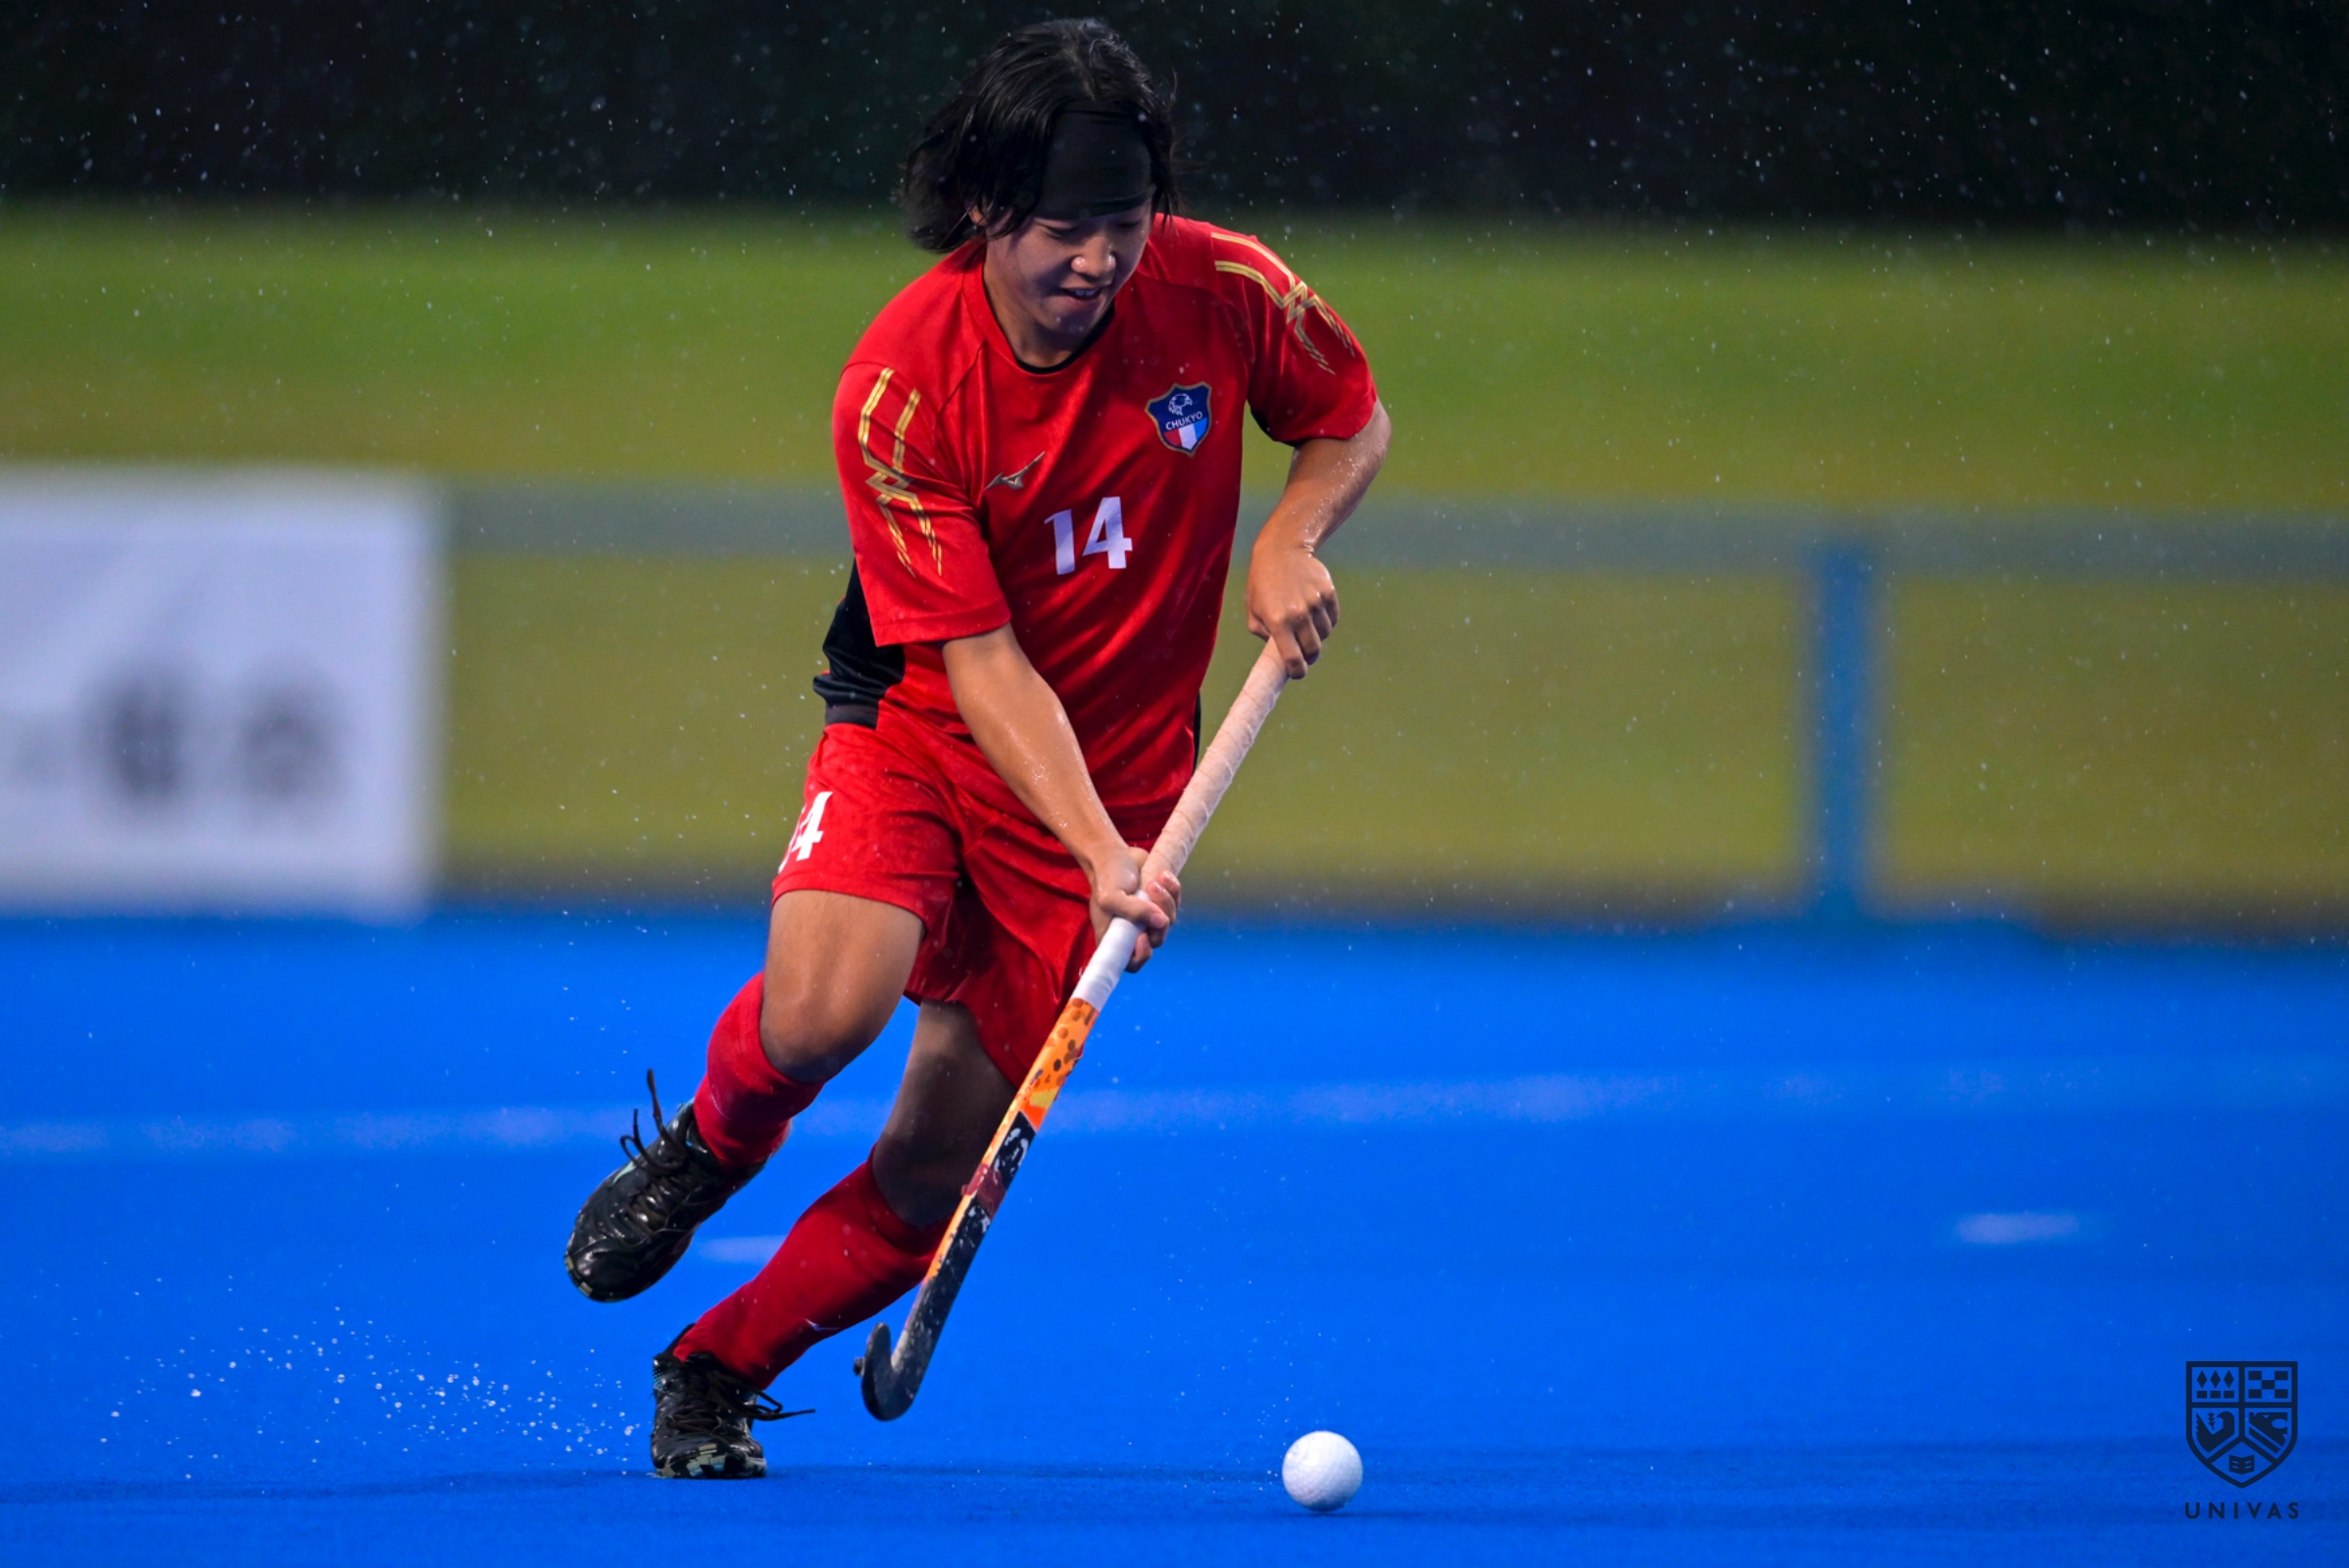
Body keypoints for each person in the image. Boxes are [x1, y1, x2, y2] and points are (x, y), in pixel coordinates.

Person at [563, 17, 1389, 1479]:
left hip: (1124, 784)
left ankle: (714, 1370)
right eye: (1063, 231)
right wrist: (1102, 855)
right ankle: (708, 1148)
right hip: (929, 725)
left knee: (938, 1164)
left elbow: (1350, 418)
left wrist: (1289, 536)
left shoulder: (1224, 287)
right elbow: (981, 657)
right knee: (827, 1010)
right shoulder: (901, 385)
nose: (1100, 262)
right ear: (983, 211)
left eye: (1124, 225)